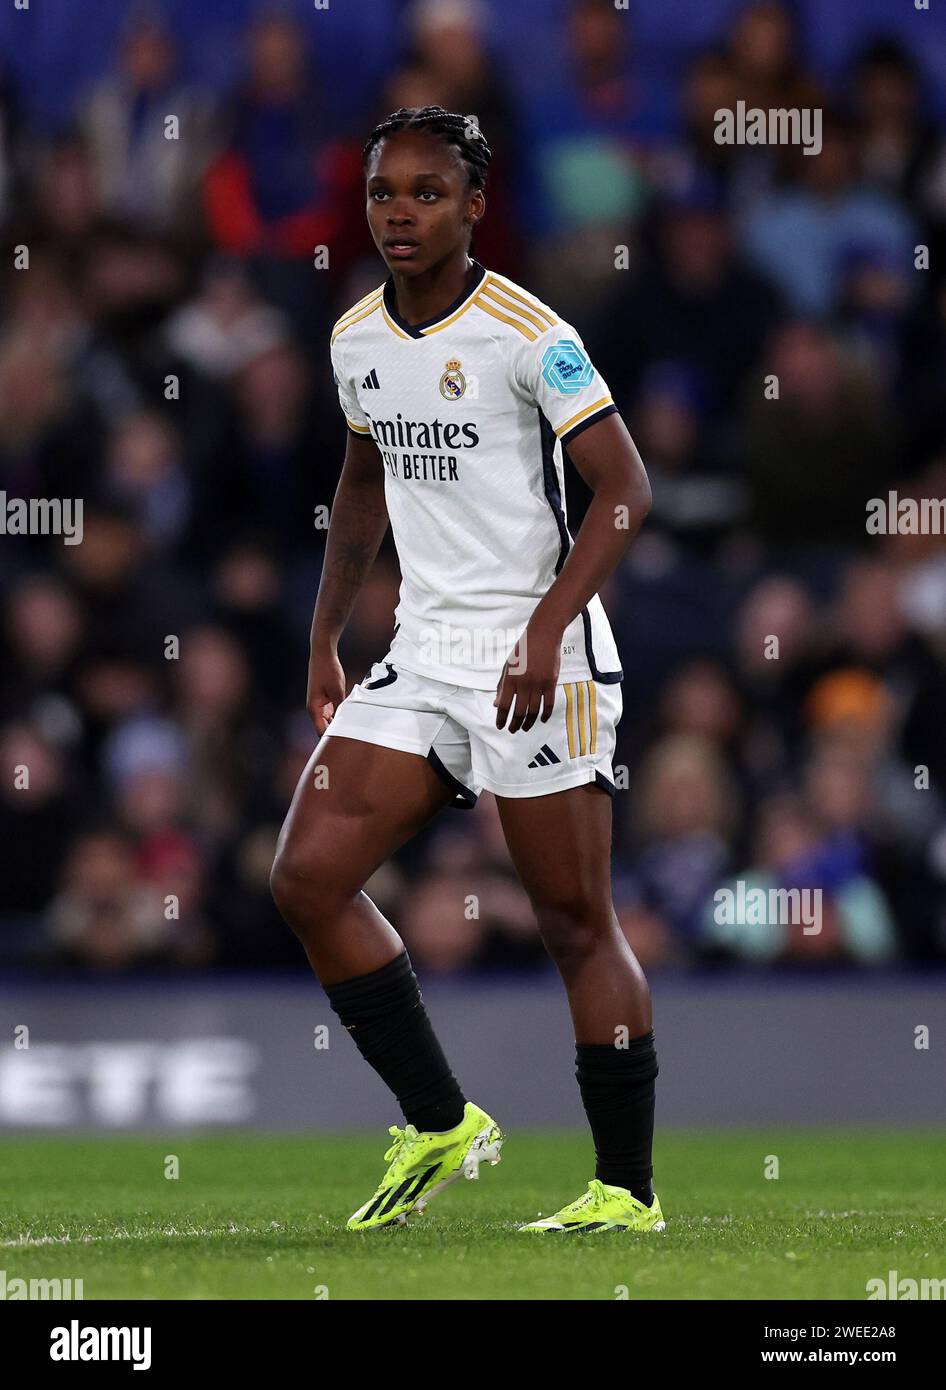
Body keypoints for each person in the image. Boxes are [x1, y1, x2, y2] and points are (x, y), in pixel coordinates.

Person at [270, 106, 661, 1235]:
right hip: (423, 655)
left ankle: (624, 1193)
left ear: (475, 207)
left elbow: (626, 489)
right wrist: (322, 634)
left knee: (573, 920)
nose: (401, 212)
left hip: (541, 653)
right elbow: (357, 490)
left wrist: (546, 630)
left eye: (428, 193)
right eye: (384, 192)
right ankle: (440, 1120)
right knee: (304, 877)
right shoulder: (355, 341)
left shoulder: (529, 334)